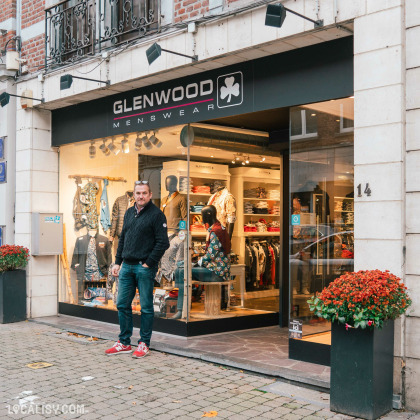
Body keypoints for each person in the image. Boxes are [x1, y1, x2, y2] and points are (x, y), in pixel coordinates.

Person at [105, 181, 170, 358]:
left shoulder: (157, 215)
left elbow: (163, 242)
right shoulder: (128, 213)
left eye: (144, 193)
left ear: (150, 195)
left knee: (146, 307)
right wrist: (117, 262)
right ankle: (124, 342)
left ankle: (143, 344)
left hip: (144, 267)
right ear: (133, 194)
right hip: (126, 266)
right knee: (122, 304)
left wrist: (149, 262)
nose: (141, 196)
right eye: (138, 193)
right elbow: (123, 239)